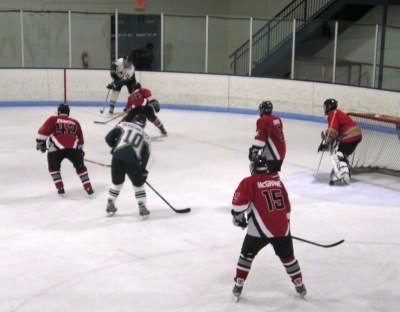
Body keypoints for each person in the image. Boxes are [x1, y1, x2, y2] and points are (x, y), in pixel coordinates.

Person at [230, 154, 306, 301]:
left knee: (246, 255)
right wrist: (285, 228)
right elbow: (287, 208)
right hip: (282, 229)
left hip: (258, 232)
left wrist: (238, 220)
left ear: (253, 168)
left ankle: (239, 283)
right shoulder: (277, 182)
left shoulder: (249, 182)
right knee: (288, 258)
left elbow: (238, 206)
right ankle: (299, 283)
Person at [36, 103, 94, 197]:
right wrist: (80, 150)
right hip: (74, 148)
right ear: (68, 113)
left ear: (58, 111)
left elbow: (43, 132)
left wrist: (40, 143)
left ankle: (60, 188)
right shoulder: (75, 122)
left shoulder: (53, 119)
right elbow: (81, 139)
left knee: (53, 168)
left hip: (56, 149)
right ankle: (88, 187)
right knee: (80, 167)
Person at [105, 112, 151, 219]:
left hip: (117, 158)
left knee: (117, 183)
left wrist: (115, 147)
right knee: (138, 185)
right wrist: (143, 171)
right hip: (133, 162)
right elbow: (145, 156)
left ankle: (110, 204)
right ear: (144, 124)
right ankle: (142, 207)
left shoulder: (123, 125)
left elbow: (108, 138)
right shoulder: (147, 137)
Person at [317, 98, 362, 186]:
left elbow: (332, 129)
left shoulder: (333, 113)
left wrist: (325, 142)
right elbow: (335, 130)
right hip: (354, 135)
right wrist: (326, 140)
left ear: (329, 107)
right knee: (341, 153)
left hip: (350, 136)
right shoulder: (337, 112)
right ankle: (344, 171)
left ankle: (343, 174)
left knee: (339, 154)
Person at [248, 101, 286, 173]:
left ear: (262, 110)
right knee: (273, 177)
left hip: (272, 155)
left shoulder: (262, 120)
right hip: (281, 153)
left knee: (264, 178)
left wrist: (254, 150)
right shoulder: (277, 119)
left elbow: (261, 138)